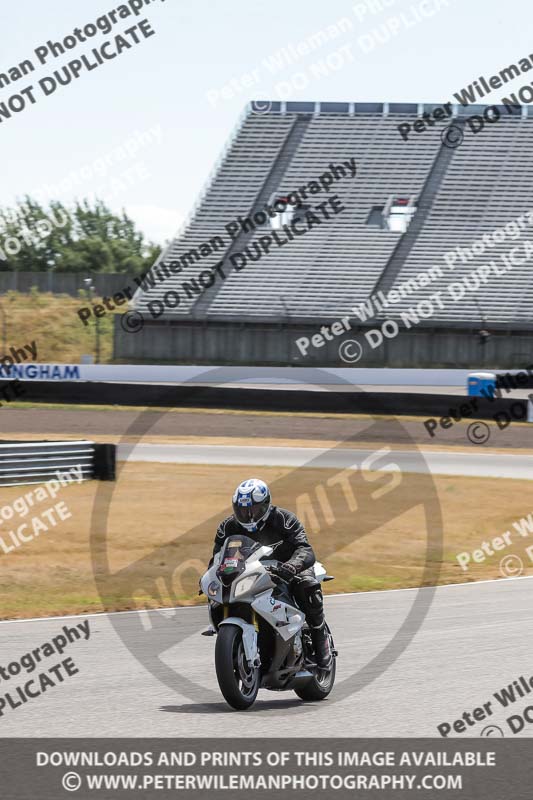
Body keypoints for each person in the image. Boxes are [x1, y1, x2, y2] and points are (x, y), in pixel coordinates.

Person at [211, 477, 332, 668]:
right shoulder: (228, 527)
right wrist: (214, 575)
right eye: (242, 510)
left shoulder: (284, 519)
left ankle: (320, 640)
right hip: (251, 572)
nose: (248, 515)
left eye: (253, 510)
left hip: (288, 568)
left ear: (266, 504)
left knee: (306, 585)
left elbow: (305, 549)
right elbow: (218, 558)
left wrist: (292, 565)